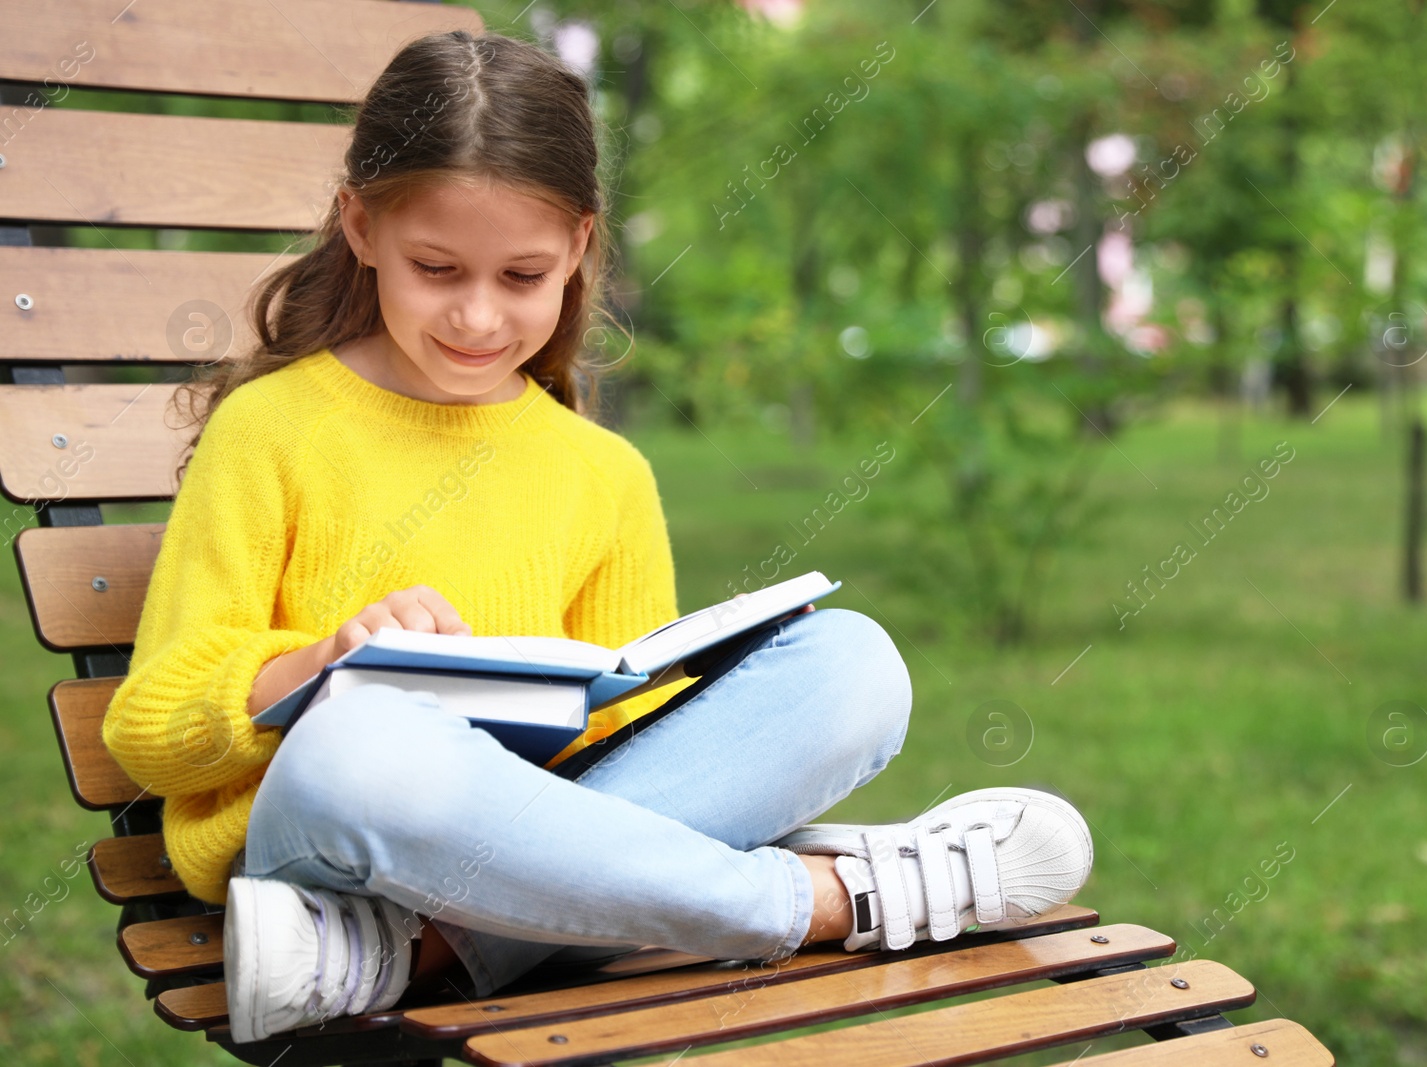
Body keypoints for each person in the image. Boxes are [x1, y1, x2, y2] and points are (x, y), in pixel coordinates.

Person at [100, 29, 1094, 1046]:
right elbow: (148, 727)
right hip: (327, 831)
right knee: (368, 739)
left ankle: (421, 947)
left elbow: (633, 751)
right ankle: (825, 900)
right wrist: (318, 662)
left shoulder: (601, 471)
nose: (479, 315)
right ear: (359, 225)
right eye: (435, 267)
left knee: (856, 662)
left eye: (521, 276)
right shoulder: (272, 429)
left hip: (510, 837)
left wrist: (599, 701)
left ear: (578, 246)